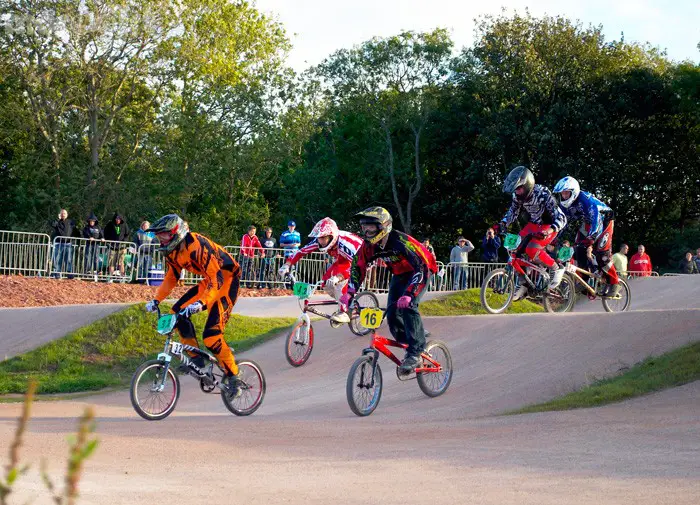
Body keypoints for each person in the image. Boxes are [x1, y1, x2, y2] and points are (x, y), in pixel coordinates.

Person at [144, 214, 243, 398]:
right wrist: (156, 300)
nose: (160, 239)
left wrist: (202, 303)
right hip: (210, 281)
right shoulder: (172, 252)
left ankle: (234, 376)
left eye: (163, 235)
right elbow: (172, 277)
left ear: (176, 233)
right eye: (159, 236)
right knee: (176, 314)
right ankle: (197, 360)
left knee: (212, 337)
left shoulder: (197, 245)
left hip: (227, 280)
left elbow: (217, 278)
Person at [343, 207, 437, 373]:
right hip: (399, 275)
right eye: (364, 226)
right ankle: (410, 342)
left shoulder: (401, 242)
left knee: (408, 306)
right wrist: (350, 291)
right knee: (392, 315)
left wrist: (409, 294)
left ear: (383, 226)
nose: (366, 230)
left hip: (421, 271)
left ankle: (415, 351)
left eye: (371, 226)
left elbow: (422, 267)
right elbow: (358, 266)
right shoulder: (369, 246)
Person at [493, 166, 567, 301]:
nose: (517, 192)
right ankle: (525, 285)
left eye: (519, 188)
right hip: (533, 224)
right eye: (515, 189)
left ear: (528, 185)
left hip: (550, 225)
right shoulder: (517, 196)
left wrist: (549, 231)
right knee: (515, 248)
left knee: (532, 248)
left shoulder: (542, 193)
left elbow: (561, 218)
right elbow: (513, 212)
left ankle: (557, 267)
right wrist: (502, 224)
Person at [278, 217, 363, 324]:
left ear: (331, 236)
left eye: (323, 238)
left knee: (340, 284)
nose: (320, 241)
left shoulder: (347, 244)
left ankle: (344, 311)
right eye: (319, 238)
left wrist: (339, 277)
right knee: (326, 282)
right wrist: (287, 264)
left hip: (361, 261)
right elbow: (301, 251)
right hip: (342, 261)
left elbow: (357, 267)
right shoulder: (319, 241)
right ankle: (346, 301)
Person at [552, 176, 621, 296]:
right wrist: (554, 237)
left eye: (566, 193)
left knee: (602, 255)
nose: (563, 196)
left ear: (573, 192)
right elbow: (563, 223)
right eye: (562, 194)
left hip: (604, 221)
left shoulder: (586, 200)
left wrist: (592, 238)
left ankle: (615, 283)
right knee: (579, 249)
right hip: (588, 223)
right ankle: (584, 279)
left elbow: (597, 220)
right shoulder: (564, 206)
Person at [49, 208, 79, 278]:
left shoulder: (71, 222)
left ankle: (70, 274)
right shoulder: (57, 222)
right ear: (60, 215)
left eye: (64, 213)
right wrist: (58, 219)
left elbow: (76, 231)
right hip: (58, 244)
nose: (63, 215)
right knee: (57, 259)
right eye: (62, 213)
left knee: (69, 260)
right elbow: (52, 224)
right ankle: (57, 273)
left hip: (68, 244)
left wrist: (78, 242)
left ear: (67, 215)